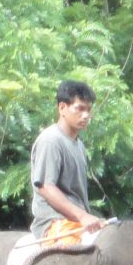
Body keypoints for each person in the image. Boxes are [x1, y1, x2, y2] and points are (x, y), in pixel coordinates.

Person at [30, 79, 103, 245]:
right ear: (62, 108)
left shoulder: (79, 145)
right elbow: (46, 188)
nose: (86, 115)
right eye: (80, 109)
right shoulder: (51, 140)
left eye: (89, 110)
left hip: (78, 223)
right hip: (55, 225)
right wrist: (83, 216)